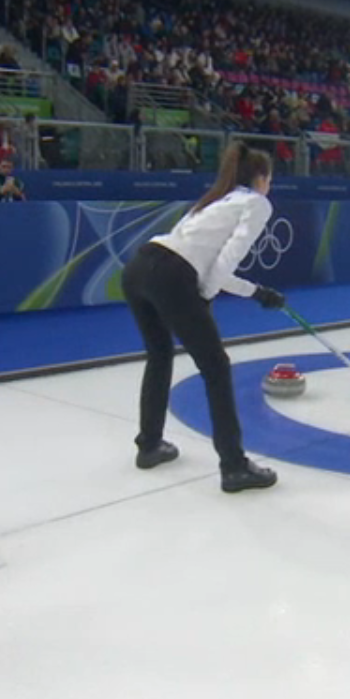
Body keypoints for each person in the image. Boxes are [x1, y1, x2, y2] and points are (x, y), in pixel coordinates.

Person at [120, 142, 281, 493]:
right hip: (171, 275)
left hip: (139, 267)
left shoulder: (214, 199)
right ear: (260, 178)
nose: (269, 186)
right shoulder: (256, 203)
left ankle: (149, 445)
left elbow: (206, 265)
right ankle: (234, 467)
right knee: (216, 367)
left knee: (159, 355)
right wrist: (205, 297)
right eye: (270, 179)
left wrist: (256, 292)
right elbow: (225, 262)